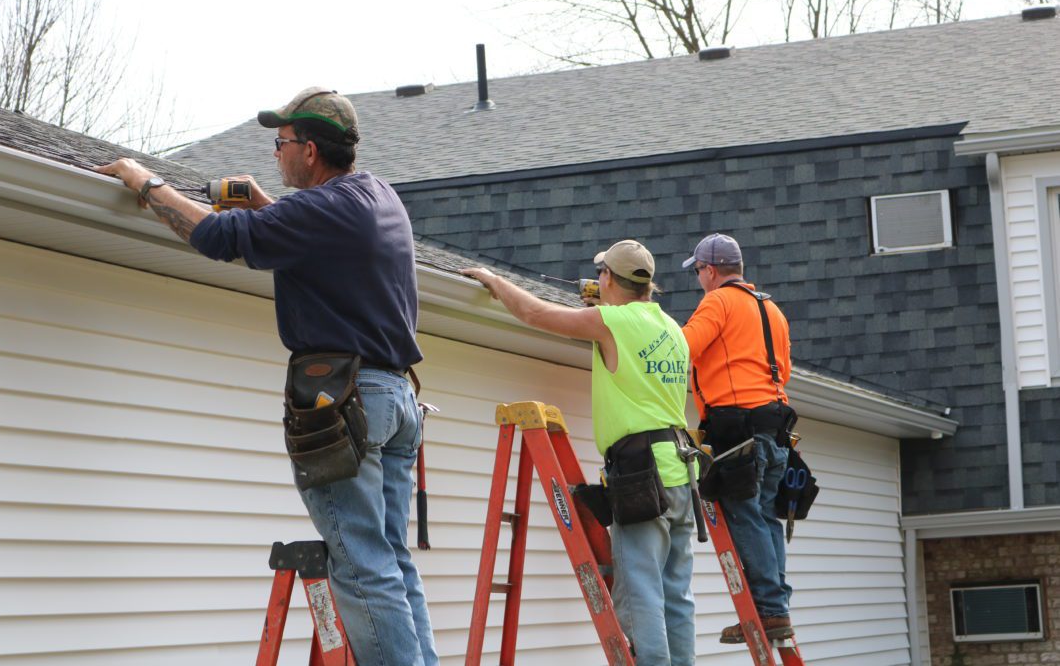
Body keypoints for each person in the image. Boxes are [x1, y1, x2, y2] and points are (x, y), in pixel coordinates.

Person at [96, 87, 438, 666]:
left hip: (349, 399)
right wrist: (266, 207)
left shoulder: (319, 211)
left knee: (361, 566)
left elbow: (212, 237)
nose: (275, 155)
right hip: (397, 399)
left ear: (309, 151)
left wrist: (143, 181)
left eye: (280, 144)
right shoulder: (378, 195)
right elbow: (317, 243)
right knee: (393, 560)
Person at [462, 240, 696, 666]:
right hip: (680, 471)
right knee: (676, 596)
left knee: (640, 592)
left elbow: (534, 314)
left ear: (608, 278)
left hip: (641, 476)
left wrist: (495, 282)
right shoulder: (672, 329)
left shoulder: (611, 322)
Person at [680, 232, 794, 644]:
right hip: (775, 427)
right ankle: (777, 608)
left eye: (697, 271)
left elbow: (685, 346)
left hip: (738, 427)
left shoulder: (718, 301)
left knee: (746, 515)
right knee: (766, 518)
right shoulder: (771, 309)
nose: (698, 280)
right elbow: (783, 369)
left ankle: (768, 609)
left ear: (710, 270)